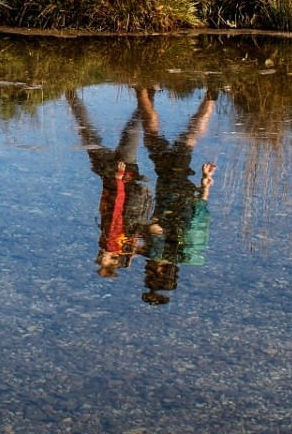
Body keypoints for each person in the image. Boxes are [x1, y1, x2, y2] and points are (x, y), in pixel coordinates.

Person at [135, 86, 218, 305]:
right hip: (170, 185)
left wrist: (204, 184)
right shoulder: (157, 253)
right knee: (162, 138)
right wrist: (139, 234)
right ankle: (142, 89)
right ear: (160, 271)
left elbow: (200, 215)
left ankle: (211, 96)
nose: (146, 272)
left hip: (184, 190)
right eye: (149, 276)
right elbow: (156, 227)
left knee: (185, 140)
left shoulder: (185, 253)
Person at [68, 90, 156, 277]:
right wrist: (119, 179)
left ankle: (149, 93)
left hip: (125, 176)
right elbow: (116, 211)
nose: (104, 255)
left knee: (132, 130)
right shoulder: (113, 243)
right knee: (88, 133)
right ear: (114, 258)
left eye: (102, 259)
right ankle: (70, 95)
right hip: (116, 177)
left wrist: (129, 255)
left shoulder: (121, 244)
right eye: (107, 259)